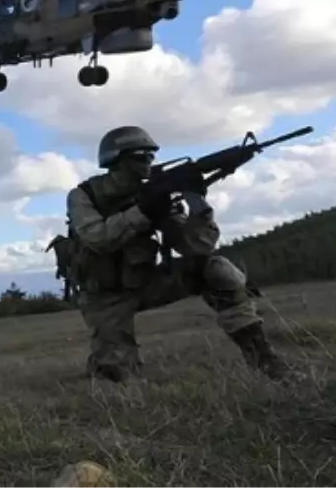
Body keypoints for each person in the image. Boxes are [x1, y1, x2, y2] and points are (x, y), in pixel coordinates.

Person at [65, 125, 291, 383]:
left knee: (217, 269)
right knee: (117, 377)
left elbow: (197, 247)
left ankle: (266, 361)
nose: (147, 164)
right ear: (115, 161)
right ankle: (104, 364)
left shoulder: (154, 195)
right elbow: (97, 238)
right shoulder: (84, 195)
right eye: (139, 157)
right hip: (103, 298)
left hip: (144, 283)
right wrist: (144, 212)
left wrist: (197, 201)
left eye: (151, 157)